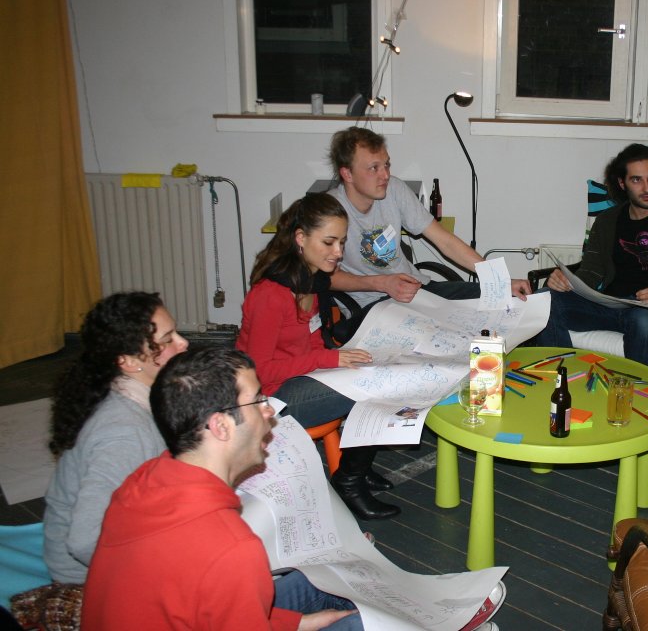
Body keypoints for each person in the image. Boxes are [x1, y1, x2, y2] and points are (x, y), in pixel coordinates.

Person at [81, 347, 362, 630]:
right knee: (359, 622)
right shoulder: (233, 548)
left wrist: (300, 623)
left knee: (334, 575)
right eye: (257, 401)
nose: (269, 411)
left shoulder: (144, 479)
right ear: (221, 426)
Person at [237, 192, 398, 521]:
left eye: (342, 242)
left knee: (374, 371)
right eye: (329, 242)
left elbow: (310, 340)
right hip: (268, 398)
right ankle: (349, 481)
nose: (338, 252)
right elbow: (259, 373)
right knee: (371, 387)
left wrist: (334, 357)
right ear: (300, 238)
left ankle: (357, 466)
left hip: (297, 378)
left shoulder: (311, 279)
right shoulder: (271, 294)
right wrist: (330, 361)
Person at [44, 291, 189, 584]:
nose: (183, 342)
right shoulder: (124, 433)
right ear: (129, 362)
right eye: (167, 339)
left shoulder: (134, 395)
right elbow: (85, 541)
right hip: (89, 581)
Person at [536, 143, 648, 368]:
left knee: (644, 320)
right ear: (622, 183)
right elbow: (591, 272)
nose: (647, 187)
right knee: (543, 299)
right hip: (611, 305)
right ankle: (563, 375)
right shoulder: (607, 221)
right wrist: (566, 281)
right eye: (636, 180)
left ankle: (641, 388)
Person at [326, 126, 530, 308]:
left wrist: (500, 281)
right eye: (374, 168)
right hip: (371, 303)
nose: (385, 175)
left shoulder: (394, 189)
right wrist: (383, 283)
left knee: (499, 300)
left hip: (417, 290)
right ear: (348, 174)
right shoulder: (329, 210)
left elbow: (445, 241)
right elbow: (325, 278)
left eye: (386, 165)